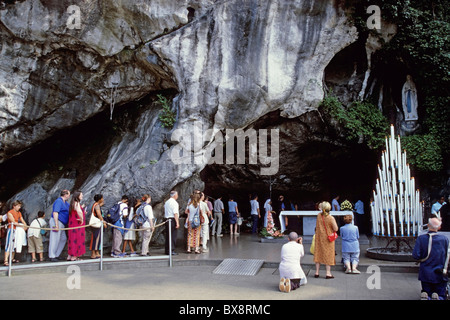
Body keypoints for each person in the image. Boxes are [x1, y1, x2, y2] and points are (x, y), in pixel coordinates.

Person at [412, 217, 449, 300]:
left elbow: (415, 255)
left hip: (425, 272)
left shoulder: (421, 239)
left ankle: (426, 295)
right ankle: (438, 296)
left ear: (428, 225)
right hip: (439, 272)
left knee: (426, 290)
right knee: (441, 293)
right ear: (439, 227)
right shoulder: (444, 239)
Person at [314, 201, 338, 279]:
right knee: (328, 254)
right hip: (328, 238)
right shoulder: (331, 218)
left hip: (319, 237)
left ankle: (317, 272)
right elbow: (336, 228)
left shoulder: (318, 216)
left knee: (318, 253)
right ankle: (328, 273)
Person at [49, 190, 70, 262]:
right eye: (69, 194)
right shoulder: (59, 201)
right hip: (56, 221)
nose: (69, 196)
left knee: (63, 239)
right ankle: (52, 255)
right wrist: (56, 225)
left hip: (62, 223)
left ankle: (56, 254)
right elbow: (55, 212)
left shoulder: (66, 203)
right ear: (65, 195)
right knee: (55, 238)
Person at [4, 200, 28, 265]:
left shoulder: (19, 213)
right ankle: (6, 260)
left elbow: (22, 220)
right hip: (11, 229)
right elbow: (13, 221)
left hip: (18, 229)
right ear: (14, 206)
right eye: (18, 206)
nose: (19, 207)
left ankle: (12, 258)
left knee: (15, 244)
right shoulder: (10, 213)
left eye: (20, 206)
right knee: (9, 244)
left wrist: (25, 225)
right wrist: (21, 226)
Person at [67, 190, 86, 261]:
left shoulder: (72, 203)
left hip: (72, 224)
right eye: (81, 195)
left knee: (72, 239)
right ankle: (74, 256)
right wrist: (81, 219)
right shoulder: (77, 203)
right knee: (77, 239)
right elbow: (79, 211)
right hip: (77, 224)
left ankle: (70, 255)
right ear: (77, 196)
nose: (82, 196)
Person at [89, 194, 106, 259]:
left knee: (97, 238)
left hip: (97, 224)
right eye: (102, 198)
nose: (103, 199)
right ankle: (93, 253)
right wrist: (104, 222)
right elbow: (98, 214)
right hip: (96, 224)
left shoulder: (96, 205)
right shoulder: (96, 205)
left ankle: (96, 252)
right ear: (99, 199)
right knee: (95, 238)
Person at [164, 190, 180, 255]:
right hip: (172, 220)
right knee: (173, 235)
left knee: (168, 235)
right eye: (177, 195)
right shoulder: (174, 203)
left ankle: (167, 250)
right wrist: (177, 222)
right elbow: (175, 213)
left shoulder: (166, 202)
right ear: (175, 195)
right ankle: (171, 249)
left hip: (167, 219)